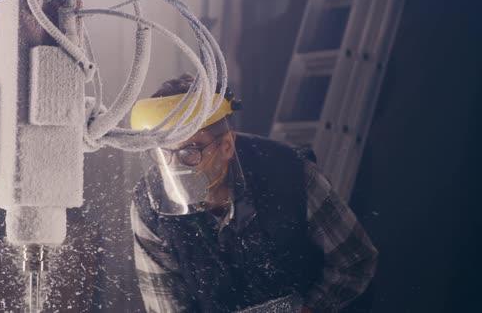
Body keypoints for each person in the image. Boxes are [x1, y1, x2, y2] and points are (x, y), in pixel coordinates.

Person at [129, 74, 379, 313]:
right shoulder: (150, 207)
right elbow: (165, 306)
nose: (174, 168)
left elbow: (355, 261)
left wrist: (309, 310)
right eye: (163, 155)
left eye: (189, 152)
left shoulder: (291, 174)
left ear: (226, 146)